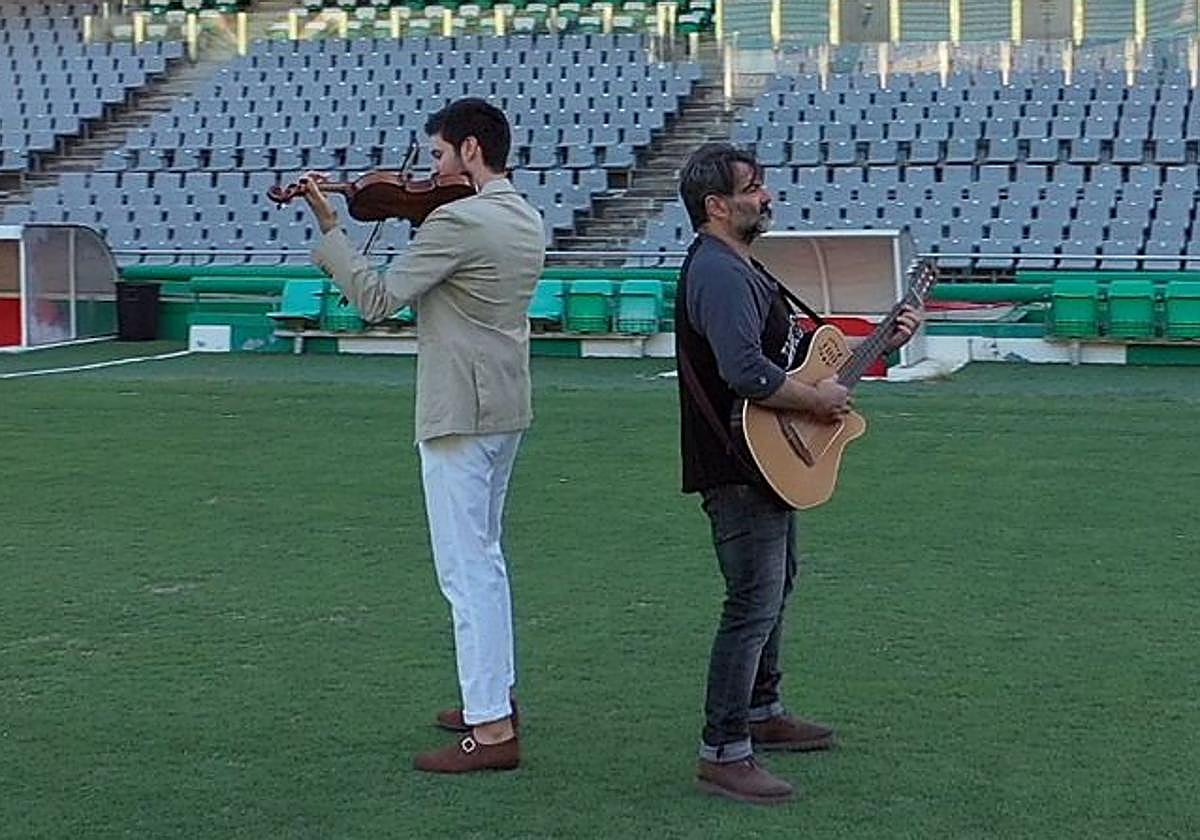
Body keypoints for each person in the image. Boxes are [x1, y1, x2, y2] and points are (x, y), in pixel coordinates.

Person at [299, 98, 546, 774]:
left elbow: (376, 301)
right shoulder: (525, 216)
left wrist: (330, 229)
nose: (429, 171)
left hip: (457, 410)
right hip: (505, 406)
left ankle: (491, 728)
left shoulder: (458, 221)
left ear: (470, 151)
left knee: (466, 573)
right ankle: (492, 696)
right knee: (486, 562)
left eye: (438, 155)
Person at [674, 143, 922, 805]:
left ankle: (762, 710)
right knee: (751, 602)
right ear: (717, 205)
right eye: (753, 188)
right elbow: (746, 372)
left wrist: (880, 344)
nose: (767, 197)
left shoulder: (741, 267)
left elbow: (794, 361)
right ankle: (724, 750)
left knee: (773, 587)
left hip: (763, 462)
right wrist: (814, 403)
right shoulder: (721, 274)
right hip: (738, 462)